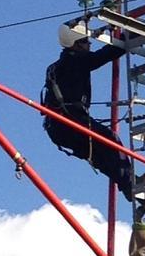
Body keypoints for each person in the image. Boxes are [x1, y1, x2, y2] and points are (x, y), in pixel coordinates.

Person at [41, 22, 136, 201]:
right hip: (69, 122)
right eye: (85, 41)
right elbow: (104, 55)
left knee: (100, 156)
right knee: (111, 141)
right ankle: (131, 185)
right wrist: (129, 37)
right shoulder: (74, 61)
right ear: (76, 44)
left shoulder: (58, 65)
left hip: (57, 128)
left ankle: (130, 188)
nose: (89, 45)